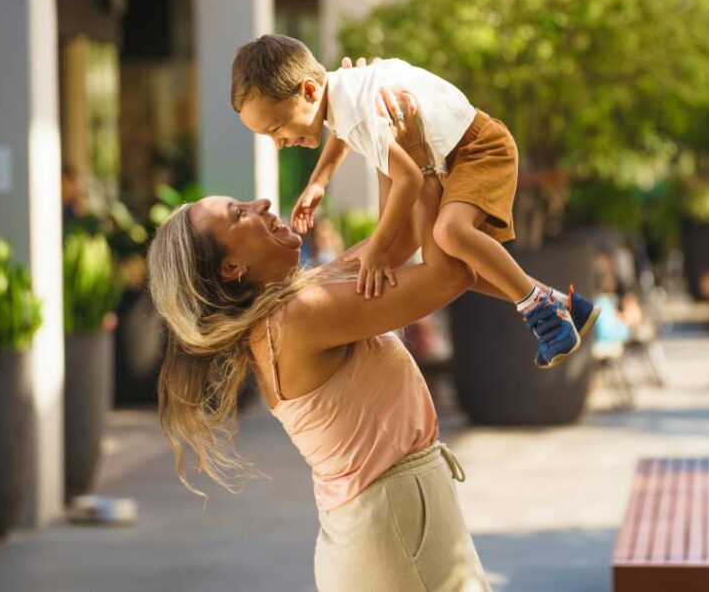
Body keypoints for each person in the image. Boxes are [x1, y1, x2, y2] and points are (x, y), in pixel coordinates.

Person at [146, 95, 491, 591]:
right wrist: (417, 153)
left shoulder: (294, 306)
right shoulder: (298, 318)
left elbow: (394, 243)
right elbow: (447, 275)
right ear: (231, 269)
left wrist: (374, 123)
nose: (261, 203)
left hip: (390, 522)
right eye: (240, 214)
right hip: (395, 526)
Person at [229, 35, 599, 368]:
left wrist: (379, 249)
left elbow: (407, 178)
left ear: (309, 91)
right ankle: (565, 306)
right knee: (451, 257)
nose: (278, 143)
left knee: (450, 234)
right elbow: (343, 132)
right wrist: (318, 181)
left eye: (276, 128)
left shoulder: (353, 109)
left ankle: (540, 310)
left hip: (477, 149)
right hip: (452, 155)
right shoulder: (342, 92)